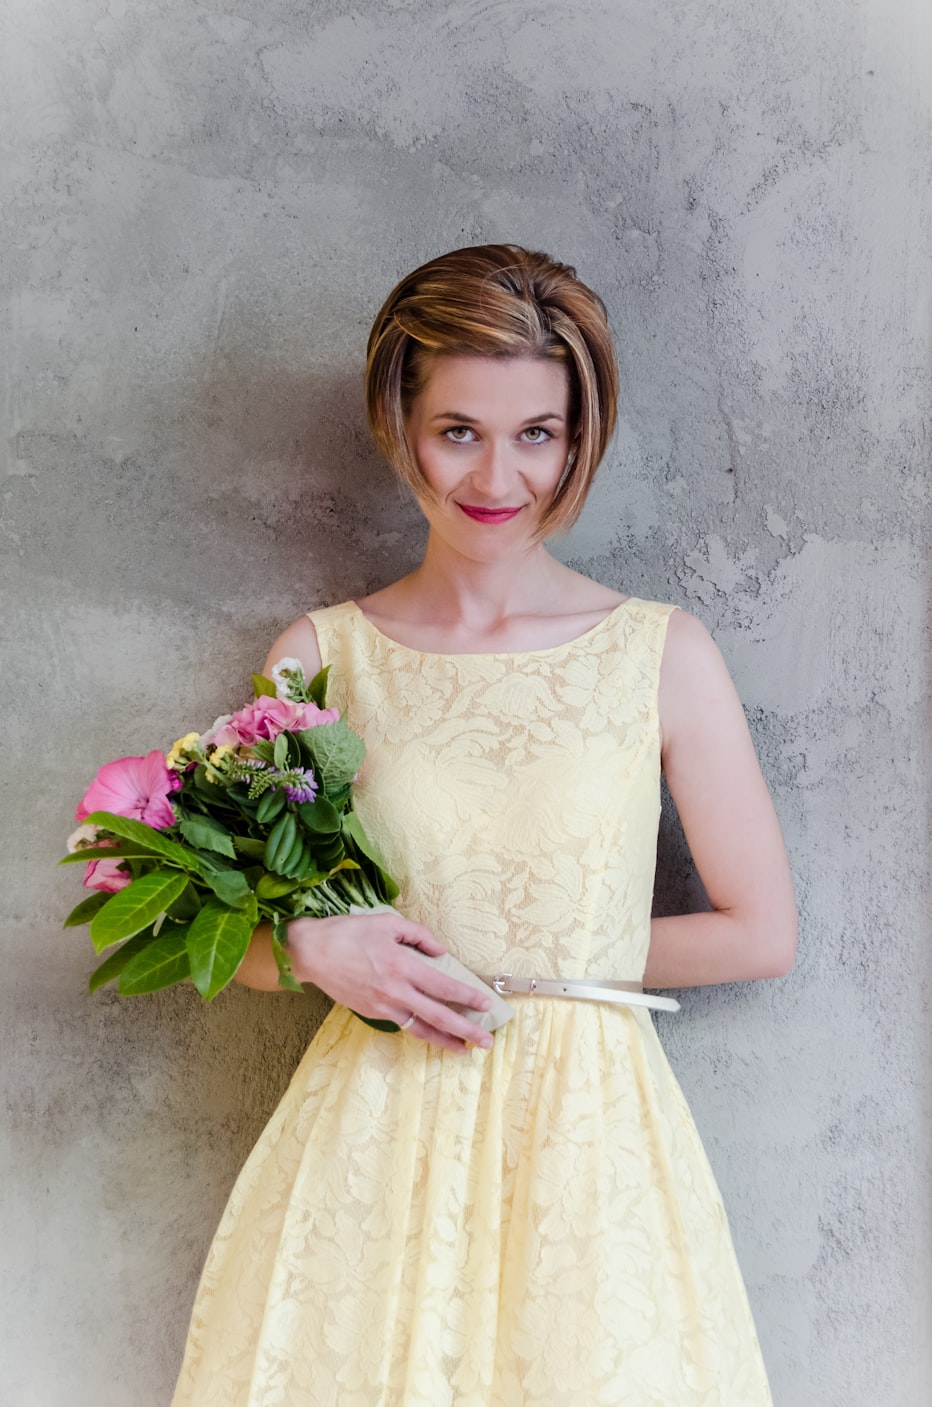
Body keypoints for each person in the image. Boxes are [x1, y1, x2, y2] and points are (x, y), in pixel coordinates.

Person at [171, 244, 797, 1406]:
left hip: (589, 1137)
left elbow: (758, 932)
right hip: (374, 1125)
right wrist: (311, 946)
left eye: (535, 434)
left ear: (577, 438)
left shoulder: (662, 654)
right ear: (397, 425)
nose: (497, 476)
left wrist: (526, 962)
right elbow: (231, 941)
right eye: (457, 430)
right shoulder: (319, 657)